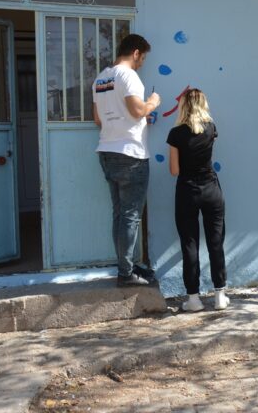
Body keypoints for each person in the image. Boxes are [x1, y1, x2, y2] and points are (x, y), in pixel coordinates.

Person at [93, 34, 160, 287]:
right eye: (142, 58)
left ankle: (126, 266)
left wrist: (137, 118)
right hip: (130, 153)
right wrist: (152, 103)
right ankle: (125, 273)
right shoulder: (128, 75)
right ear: (135, 53)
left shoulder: (101, 77)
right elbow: (137, 110)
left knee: (120, 214)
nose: (142, 63)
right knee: (131, 216)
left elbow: (98, 119)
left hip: (107, 151)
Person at [167, 89, 229, 311]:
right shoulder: (211, 129)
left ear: (183, 105)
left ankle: (193, 299)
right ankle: (220, 295)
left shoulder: (176, 133)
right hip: (212, 190)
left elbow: (174, 170)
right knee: (216, 242)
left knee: (190, 244)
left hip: (187, 192)